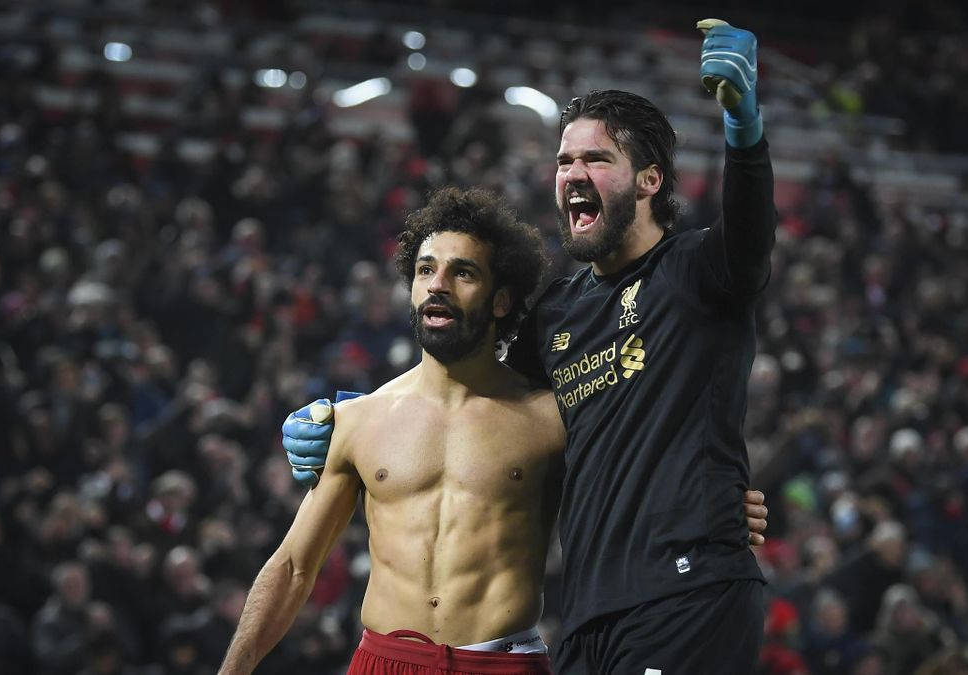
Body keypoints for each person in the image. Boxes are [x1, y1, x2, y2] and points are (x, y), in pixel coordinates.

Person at [282, 19, 776, 673]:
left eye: (596, 159)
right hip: (588, 615)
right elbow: (465, 392)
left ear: (650, 181)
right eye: (565, 160)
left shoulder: (695, 272)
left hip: (686, 593)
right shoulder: (558, 313)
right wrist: (346, 415)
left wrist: (743, 125)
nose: (572, 173)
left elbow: (749, 234)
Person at [220, 186, 563, 674]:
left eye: (462, 272)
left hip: (503, 664)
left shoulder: (549, 418)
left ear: (501, 300)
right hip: (384, 661)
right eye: (425, 270)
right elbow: (295, 566)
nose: (437, 284)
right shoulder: (362, 419)